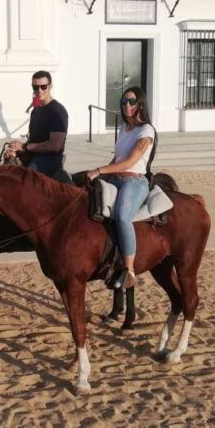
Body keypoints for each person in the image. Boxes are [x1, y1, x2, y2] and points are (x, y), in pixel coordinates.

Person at [86, 86, 155, 290]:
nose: (127, 105)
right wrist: (100, 175)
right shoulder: (124, 129)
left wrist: (99, 170)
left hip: (135, 182)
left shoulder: (146, 130)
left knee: (123, 216)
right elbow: (117, 159)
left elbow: (129, 162)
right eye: (124, 102)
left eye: (131, 102)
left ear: (140, 104)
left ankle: (129, 271)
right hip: (116, 179)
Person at [5, 71, 68, 179]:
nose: (39, 90)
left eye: (43, 87)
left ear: (50, 86)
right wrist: (17, 151)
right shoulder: (36, 110)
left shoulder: (57, 111)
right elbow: (34, 140)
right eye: (35, 87)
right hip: (33, 156)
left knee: (24, 180)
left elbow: (55, 145)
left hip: (49, 160)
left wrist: (24, 146)